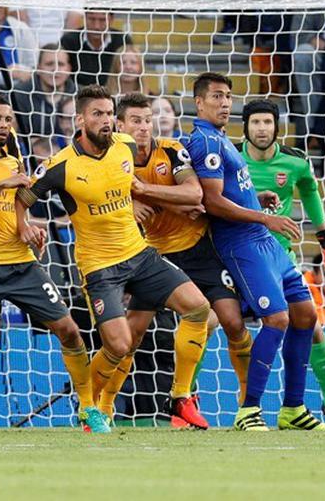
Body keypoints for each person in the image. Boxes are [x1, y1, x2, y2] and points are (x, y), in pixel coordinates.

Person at [26, 86, 213, 432]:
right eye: (97, 114)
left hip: (139, 255)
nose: (106, 120)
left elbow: (127, 184)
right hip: (100, 268)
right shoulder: (59, 166)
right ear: (79, 119)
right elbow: (21, 198)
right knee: (120, 343)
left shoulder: (125, 145)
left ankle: (180, 396)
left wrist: (138, 200)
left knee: (198, 309)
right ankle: (91, 406)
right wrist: (24, 227)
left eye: (110, 113)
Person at [185, 72, 325, 432]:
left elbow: (232, 190)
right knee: (277, 319)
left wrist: (256, 199)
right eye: (216, 96)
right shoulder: (205, 142)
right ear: (199, 103)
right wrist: (265, 218)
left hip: (264, 242)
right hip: (241, 244)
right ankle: (248, 409)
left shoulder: (222, 138)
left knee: (305, 315)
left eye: (228, 96)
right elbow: (212, 202)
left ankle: (293, 409)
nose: (224, 103)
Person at [0, 95, 99, 433]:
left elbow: (15, 206)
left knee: (70, 330)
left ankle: (89, 409)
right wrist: (1, 183)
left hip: (20, 264)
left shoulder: (14, 159)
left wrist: (26, 228)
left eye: (8, 120)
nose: (4, 125)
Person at [107, 92, 252, 426]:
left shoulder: (172, 150)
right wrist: (130, 205)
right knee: (134, 332)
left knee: (231, 321)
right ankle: (105, 405)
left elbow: (194, 193)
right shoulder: (113, 161)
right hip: (155, 255)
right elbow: (98, 199)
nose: (144, 128)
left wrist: (144, 192)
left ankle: (246, 405)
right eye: (136, 121)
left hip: (199, 249)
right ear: (120, 126)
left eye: (148, 120)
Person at [240, 99, 325, 428]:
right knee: (209, 320)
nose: (262, 129)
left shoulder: (296, 161)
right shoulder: (232, 159)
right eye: (255, 122)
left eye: (267, 122)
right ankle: (186, 399)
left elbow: (310, 192)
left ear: (277, 127)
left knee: (310, 323)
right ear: (245, 127)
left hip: (281, 256)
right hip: (239, 256)